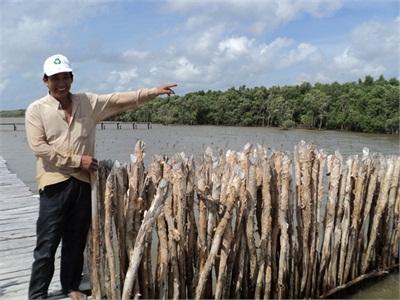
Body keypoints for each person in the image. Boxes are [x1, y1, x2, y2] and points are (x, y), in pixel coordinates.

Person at [25, 54, 176, 299]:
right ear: (45, 81)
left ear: (72, 78)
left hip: (83, 182)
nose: (61, 82)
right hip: (54, 183)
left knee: (75, 240)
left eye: (65, 77)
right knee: (47, 242)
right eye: (55, 78)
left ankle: (71, 286)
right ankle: (37, 293)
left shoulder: (87, 102)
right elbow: (39, 147)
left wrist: (153, 92)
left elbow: (117, 100)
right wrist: (77, 160)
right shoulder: (36, 110)